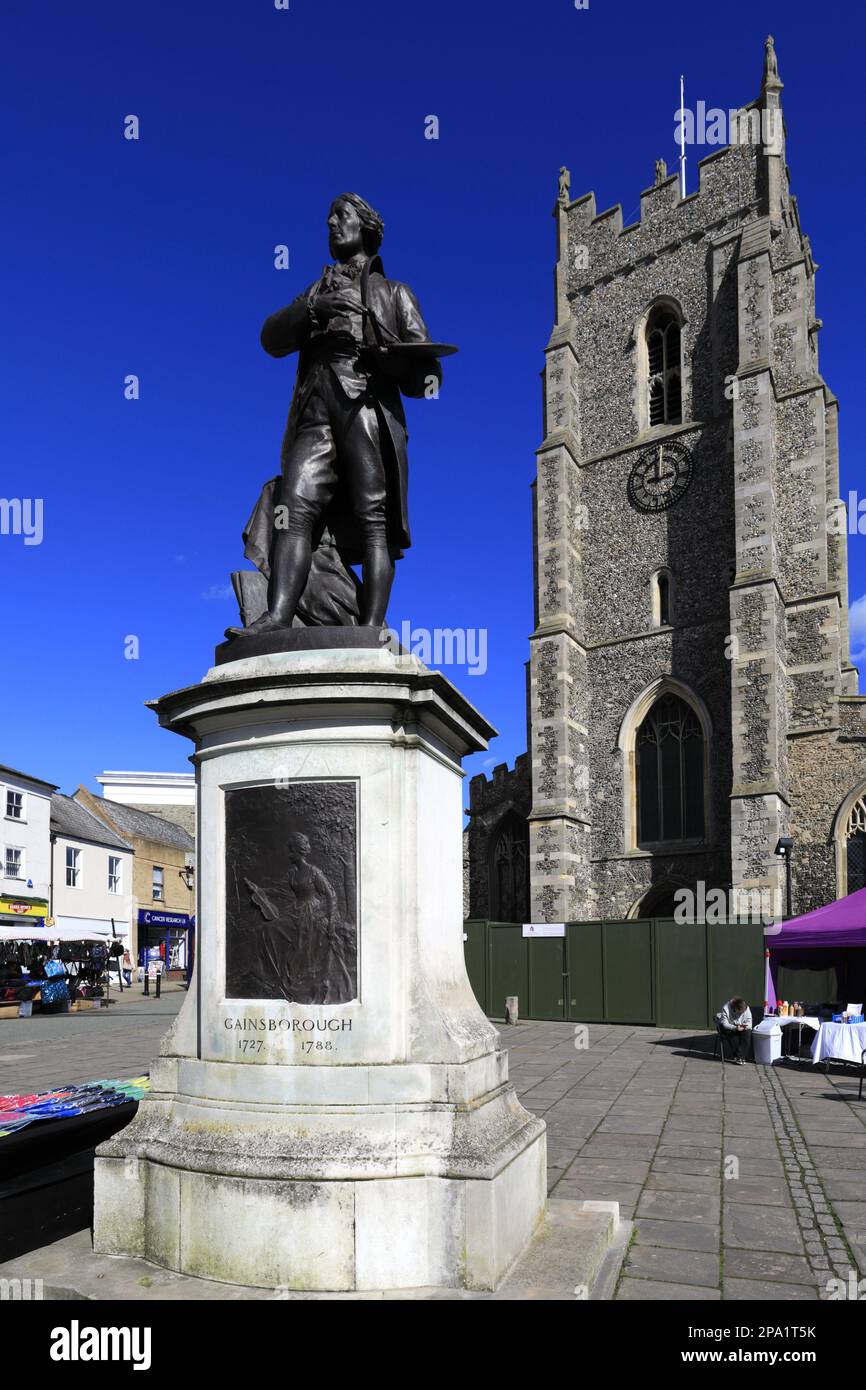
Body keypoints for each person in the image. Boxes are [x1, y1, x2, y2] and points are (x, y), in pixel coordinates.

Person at [226, 191, 444, 637]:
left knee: (373, 520)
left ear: (364, 226)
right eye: (328, 217)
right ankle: (277, 617)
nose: (330, 223)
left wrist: (386, 359)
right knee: (294, 505)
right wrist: (311, 310)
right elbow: (271, 339)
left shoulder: (395, 293)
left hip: (363, 401)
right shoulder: (316, 291)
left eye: (340, 215)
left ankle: (370, 628)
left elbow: (428, 378)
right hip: (315, 407)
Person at [716, 996, 752, 1064]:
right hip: (729, 1026)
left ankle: (740, 1057)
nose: (741, 1014)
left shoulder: (746, 1008)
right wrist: (735, 1028)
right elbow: (725, 1024)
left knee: (747, 1032)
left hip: (741, 1025)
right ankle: (739, 1057)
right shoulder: (726, 1008)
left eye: (742, 1012)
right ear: (735, 1008)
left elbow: (749, 1023)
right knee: (732, 1034)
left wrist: (745, 1027)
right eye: (739, 1012)